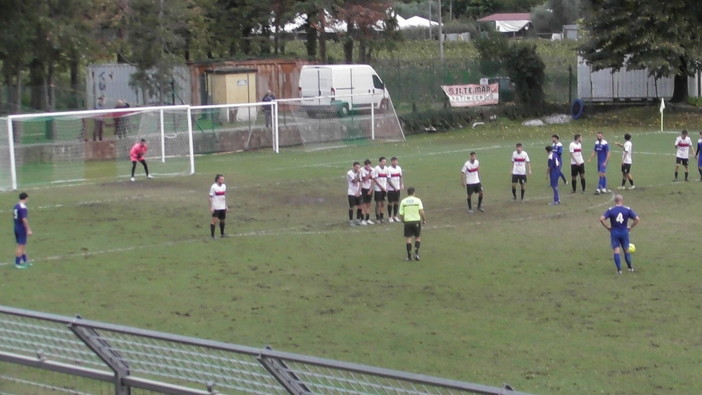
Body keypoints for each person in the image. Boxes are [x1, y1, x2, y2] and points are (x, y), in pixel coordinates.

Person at [599, 194, 640, 274]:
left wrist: (607, 227)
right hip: (624, 231)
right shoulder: (627, 209)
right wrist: (630, 227)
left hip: (614, 232)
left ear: (615, 201)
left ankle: (619, 270)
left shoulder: (611, 210)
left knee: (616, 250)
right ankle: (630, 268)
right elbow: (637, 219)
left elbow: (601, 219)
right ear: (622, 201)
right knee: (626, 250)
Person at [399, 187, 426, 261]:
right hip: (416, 221)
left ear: (408, 193)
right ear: (414, 192)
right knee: (417, 237)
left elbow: (401, 213)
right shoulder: (418, 200)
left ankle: (409, 256)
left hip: (407, 222)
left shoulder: (403, 201)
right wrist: (424, 220)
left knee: (408, 239)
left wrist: (403, 220)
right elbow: (421, 211)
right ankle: (416, 254)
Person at [13, 192, 32, 269]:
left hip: (16, 227)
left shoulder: (16, 206)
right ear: (26, 198)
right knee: (20, 246)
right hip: (21, 228)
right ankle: (17, 263)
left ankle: (24, 261)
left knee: (22, 245)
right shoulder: (23, 208)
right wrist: (28, 229)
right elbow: (24, 219)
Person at [208, 174, 228, 238]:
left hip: (222, 207)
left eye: (223, 179)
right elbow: (210, 197)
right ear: (217, 180)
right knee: (214, 221)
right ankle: (212, 236)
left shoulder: (224, 186)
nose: (223, 180)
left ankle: (222, 234)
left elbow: (223, 197)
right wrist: (211, 207)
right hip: (216, 207)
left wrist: (226, 206)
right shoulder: (213, 187)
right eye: (221, 179)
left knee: (223, 220)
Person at [372, 156, 389, 223]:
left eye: (385, 161)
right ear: (380, 162)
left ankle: (382, 217)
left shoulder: (386, 169)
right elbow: (375, 179)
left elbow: (387, 179)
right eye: (383, 161)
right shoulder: (376, 168)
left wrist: (386, 187)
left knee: (383, 203)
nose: (384, 163)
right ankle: (377, 218)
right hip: (378, 189)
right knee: (378, 203)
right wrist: (381, 187)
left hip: (384, 189)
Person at [386, 156, 403, 222]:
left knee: (396, 202)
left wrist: (401, 184)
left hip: (397, 188)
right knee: (391, 202)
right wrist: (394, 187)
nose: (396, 162)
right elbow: (389, 180)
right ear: (392, 162)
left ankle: (395, 216)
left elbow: (401, 177)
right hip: (391, 189)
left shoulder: (399, 168)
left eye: (396, 161)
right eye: (395, 161)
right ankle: (390, 216)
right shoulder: (389, 169)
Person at [346, 161, 363, 226]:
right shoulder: (349, 173)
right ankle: (351, 220)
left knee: (360, 206)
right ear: (353, 167)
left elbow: (361, 182)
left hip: (358, 192)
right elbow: (355, 181)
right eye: (357, 167)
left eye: (359, 167)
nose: (358, 168)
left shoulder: (359, 172)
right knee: (352, 206)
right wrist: (358, 174)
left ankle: (358, 219)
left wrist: (359, 191)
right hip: (351, 192)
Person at [359, 159, 374, 225]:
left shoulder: (372, 170)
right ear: (365, 165)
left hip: (369, 189)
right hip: (363, 189)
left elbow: (373, 180)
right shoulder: (362, 170)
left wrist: (371, 189)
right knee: (363, 204)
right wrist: (369, 173)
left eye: (369, 165)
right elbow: (364, 179)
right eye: (367, 165)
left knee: (368, 204)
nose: (368, 166)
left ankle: (367, 219)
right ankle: (362, 219)